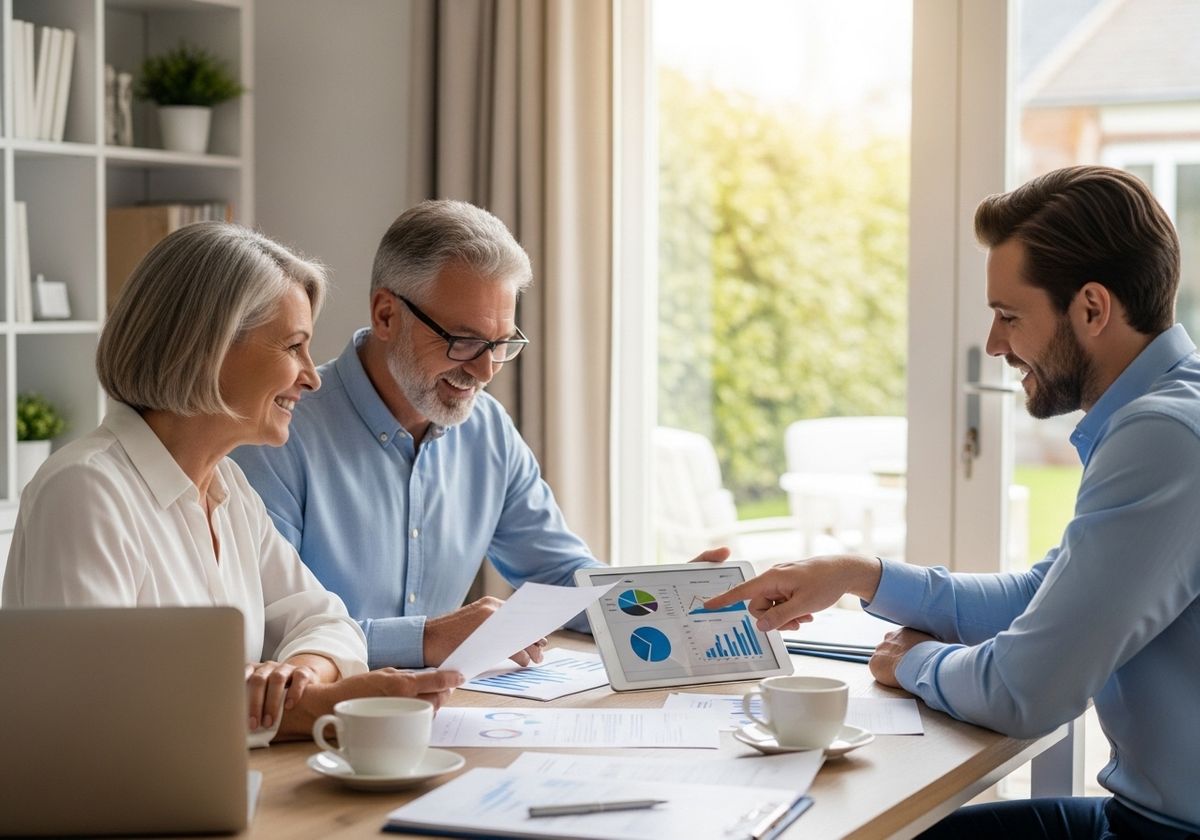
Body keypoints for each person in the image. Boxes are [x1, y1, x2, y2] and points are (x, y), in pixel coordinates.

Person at [705, 166, 1200, 839]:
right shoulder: (1165, 410)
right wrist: (858, 576)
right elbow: (1040, 595)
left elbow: (1025, 692)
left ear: (1091, 308)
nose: (996, 345)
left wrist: (908, 664)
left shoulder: (1165, 437)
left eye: (1007, 316)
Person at [2, 222, 460, 740]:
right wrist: (313, 709)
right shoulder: (86, 493)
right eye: (294, 347)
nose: (311, 376)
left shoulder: (229, 489)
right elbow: (94, 716)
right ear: (208, 347)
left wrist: (297, 678)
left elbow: (328, 621)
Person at [233, 200, 727, 670]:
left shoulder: (486, 430)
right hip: (317, 729)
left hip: (446, 715)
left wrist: (670, 599)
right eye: (464, 341)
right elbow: (271, 632)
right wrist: (426, 639)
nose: (486, 369)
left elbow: (558, 577)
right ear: (386, 315)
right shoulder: (277, 432)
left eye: (501, 343)